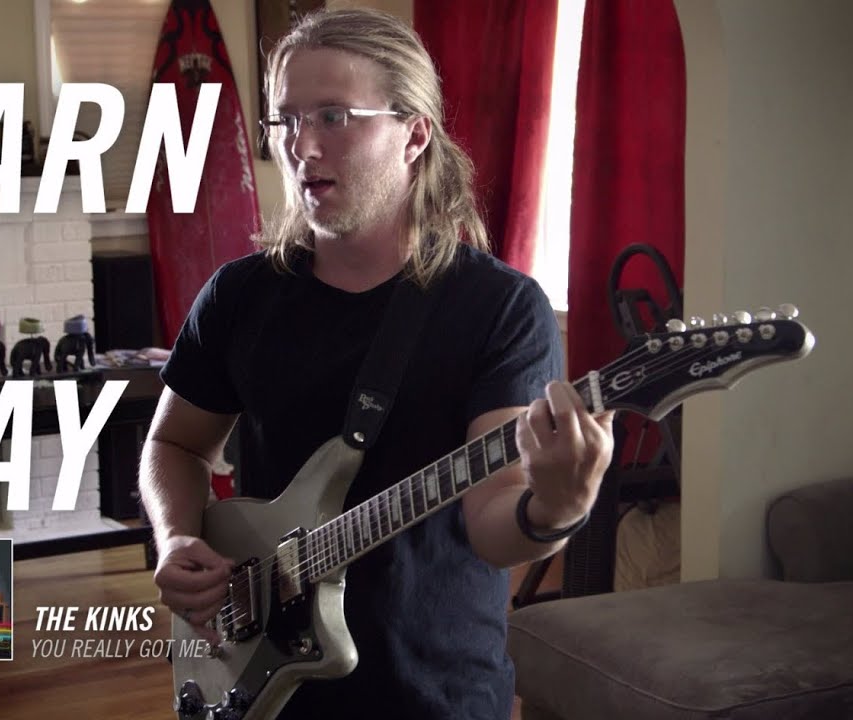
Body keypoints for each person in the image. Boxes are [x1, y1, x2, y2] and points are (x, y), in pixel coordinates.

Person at [139, 8, 614, 719]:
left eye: (334, 117)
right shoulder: (238, 296)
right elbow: (174, 444)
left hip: (434, 690)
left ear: (414, 135)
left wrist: (557, 508)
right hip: (259, 681)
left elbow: (493, 524)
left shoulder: (499, 309)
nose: (300, 146)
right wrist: (176, 535)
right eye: (286, 120)